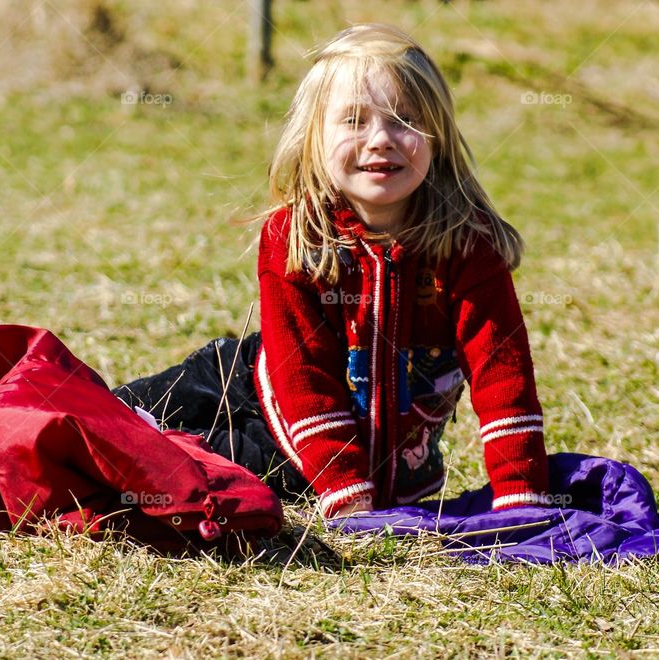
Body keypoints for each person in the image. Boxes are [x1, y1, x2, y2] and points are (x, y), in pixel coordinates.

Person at [114, 23, 549, 519]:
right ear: (314, 139)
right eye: (354, 122)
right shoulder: (295, 236)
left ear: (439, 136)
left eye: (404, 119)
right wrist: (348, 492)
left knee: (176, 466)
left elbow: (504, 376)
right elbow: (303, 375)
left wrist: (521, 497)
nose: (381, 140)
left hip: (285, 454)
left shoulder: (468, 245)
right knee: (111, 416)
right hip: (258, 384)